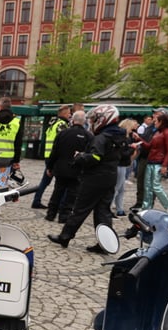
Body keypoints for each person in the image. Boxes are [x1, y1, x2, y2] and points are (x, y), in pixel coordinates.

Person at [48, 104, 125, 252]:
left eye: (95, 119)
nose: (92, 122)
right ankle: (105, 244)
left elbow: (94, 157)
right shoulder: (119, 135)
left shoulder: (101, 138)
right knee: (103, 212)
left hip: (95, 178)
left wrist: (80, 157)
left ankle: (65, 236)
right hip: (110, 177)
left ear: (103, 119)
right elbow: (125, 157)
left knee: (80, 209)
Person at [45, 110, 92, 224]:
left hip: (61, 168)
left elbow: (54, 152)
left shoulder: (63, 133)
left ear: (73, 120)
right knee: (72, 194)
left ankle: (51, 214)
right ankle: (64, 216)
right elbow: (89, 155)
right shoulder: (88, 136)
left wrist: (49, 167)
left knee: (57, 191)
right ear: (84, 121)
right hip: (77, 169)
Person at [132, 111, 168, 214]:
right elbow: (149, 146)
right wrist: (139, 139)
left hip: (159, 162)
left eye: (156, 121)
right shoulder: (157, 132)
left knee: (156, 186)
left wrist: (165, 165)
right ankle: (146, 208)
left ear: (161, 121)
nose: (154, 122)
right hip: (151, 161)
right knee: (147, 186)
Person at [32, 104, 71, 209]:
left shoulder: (52, 123)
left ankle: (36, 200)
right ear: (63, 113)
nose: (70, 115)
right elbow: (63, 141)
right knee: (61, 183)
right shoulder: (61, 125)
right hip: (56, 157)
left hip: (48, 155)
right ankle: (58, 205)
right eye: (68, 113)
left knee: (45, 181)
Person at [113, 118, 138, 217]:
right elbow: (123, 153)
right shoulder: (122, 138)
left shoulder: (128, 137)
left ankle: (120, 209)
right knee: (116, 188)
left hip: (123, 164)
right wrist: (132, 148)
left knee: (121, 189)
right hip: (120, 165)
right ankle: (108, 208)